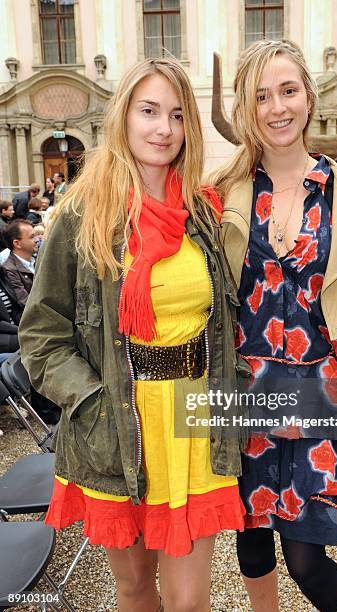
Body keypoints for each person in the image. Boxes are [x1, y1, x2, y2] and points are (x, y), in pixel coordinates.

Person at [19, 57, 248, 612]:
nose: (162, 128)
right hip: (116, 421)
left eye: (175, 115)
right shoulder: (81, 215)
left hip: (195, 419)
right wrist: (92, 400)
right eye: (149, 111)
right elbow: (42, 335)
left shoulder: (202, 212)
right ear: (123, 115)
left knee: (190, 601)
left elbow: (227, 319)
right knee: (136, 587)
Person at [212, 40, 337, 612]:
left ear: (308, 96)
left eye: (287, 90)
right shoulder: (224, 194)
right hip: (248, 389)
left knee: (307, 557)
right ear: (246, 109)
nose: (276, 107)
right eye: (261, 96)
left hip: (323, 392)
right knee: (253, 540)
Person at [2, 219, 36, 307]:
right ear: (17, 243)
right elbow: (25, 302)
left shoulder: (38, 259)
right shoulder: (9, 269)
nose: (36, 240)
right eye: (32, 237)